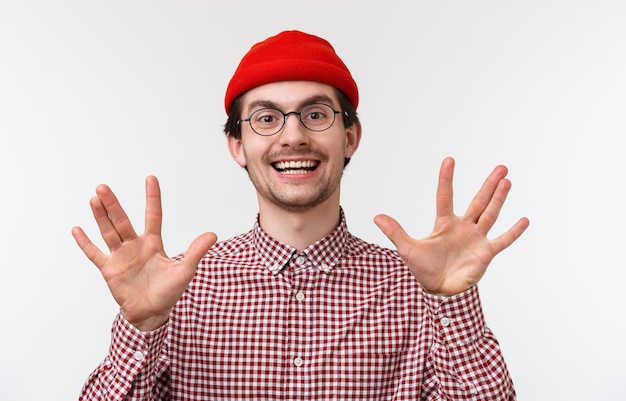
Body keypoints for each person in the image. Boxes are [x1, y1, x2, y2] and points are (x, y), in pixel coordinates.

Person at [72, 30, 529, 400]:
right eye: (267, 119)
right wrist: (142, 326)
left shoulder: (419, 290)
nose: (292, 136)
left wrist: (454, 303)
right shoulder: (177, 291)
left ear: (350, 137)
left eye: (315, 114)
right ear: (238, 146)